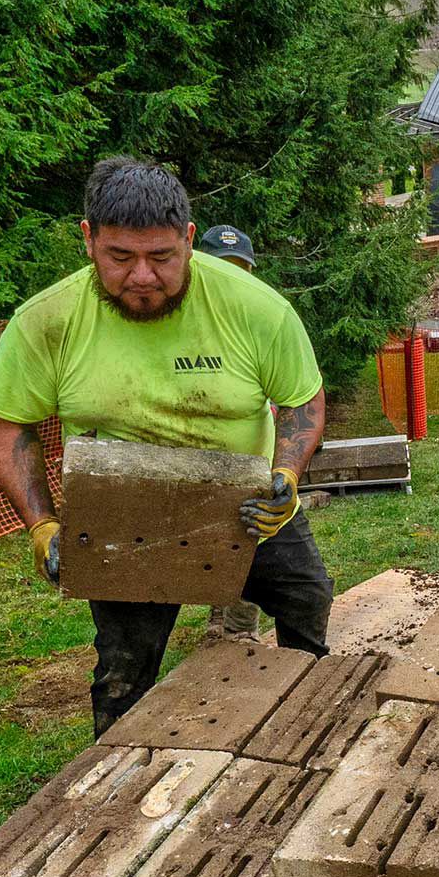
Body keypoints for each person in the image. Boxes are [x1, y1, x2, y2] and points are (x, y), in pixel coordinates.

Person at [0, 157, 334, 738]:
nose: (142, 277)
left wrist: (287, 475)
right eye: (120, 258)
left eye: (162, 257)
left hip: (245, 501)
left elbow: (303, 401)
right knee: (123, 665)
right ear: (88, 239)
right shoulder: (46, 321)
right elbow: (8, 425)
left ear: (189, 240)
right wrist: (42, 527)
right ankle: (114, 770)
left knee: (307, 598)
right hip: (125, 510)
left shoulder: (256, 308)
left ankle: (310, 717)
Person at [196, 223, 263, 642]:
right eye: (222, 269)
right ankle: (217, 612)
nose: (232, 279)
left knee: (248, 541)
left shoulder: (260, 322)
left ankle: (238, 631)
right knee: (207, 546)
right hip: (195, 458)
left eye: (241, 269)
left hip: (250, 459)